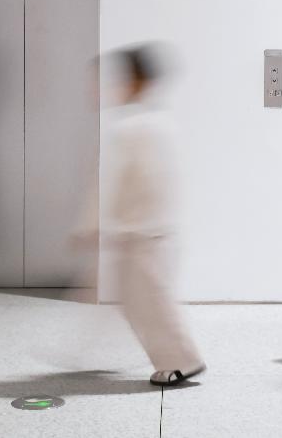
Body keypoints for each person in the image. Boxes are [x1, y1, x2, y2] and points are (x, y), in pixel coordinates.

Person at [92, 45, 206, 387]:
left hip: (143, 233)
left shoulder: (135, 126)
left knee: (151, 302)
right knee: (143, 301)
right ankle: (177, 357)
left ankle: (183, 360)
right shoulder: (157, 122)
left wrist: (109, 223)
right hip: (150, 231)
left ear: (136, 80)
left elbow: (129, 182)